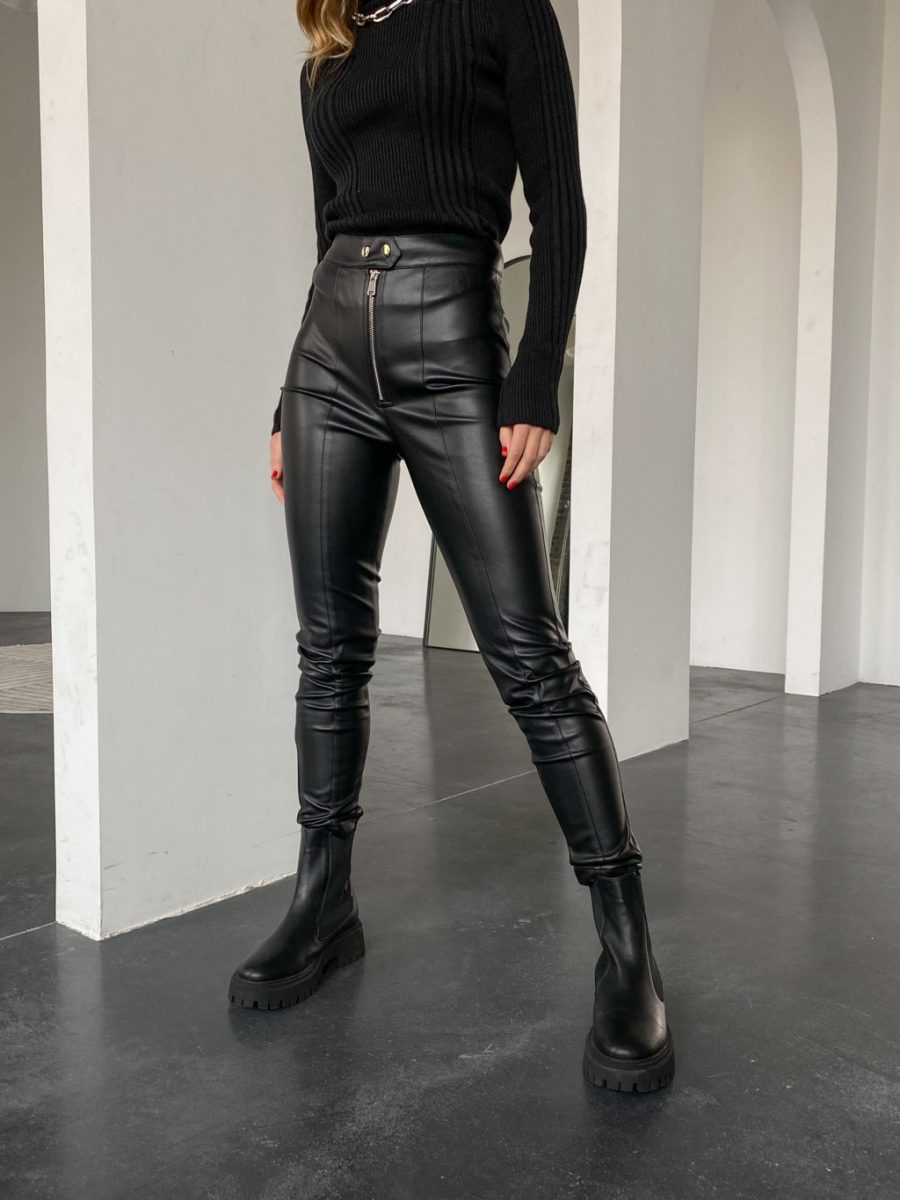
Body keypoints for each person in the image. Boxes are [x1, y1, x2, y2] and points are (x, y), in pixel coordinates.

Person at [228, 0, 675, 1093]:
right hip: (329, 358)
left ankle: (628, 949)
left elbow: (560, 204)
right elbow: (327, 234)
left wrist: (536, 378)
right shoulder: (328, 55)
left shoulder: (502, 9)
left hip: (453, 339)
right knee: (330, 649)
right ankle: (323, 901)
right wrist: (288, 400)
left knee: (529, 657)